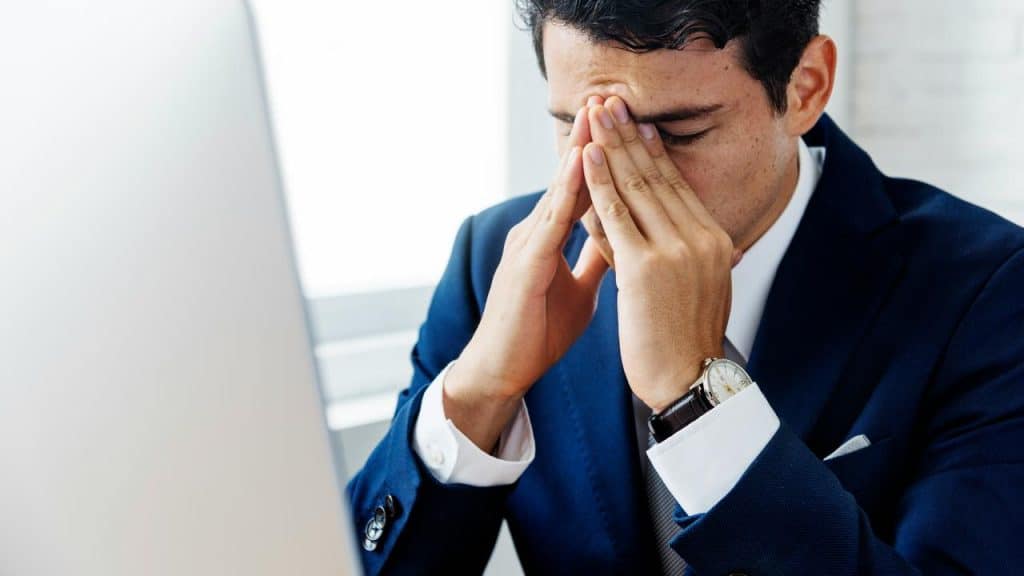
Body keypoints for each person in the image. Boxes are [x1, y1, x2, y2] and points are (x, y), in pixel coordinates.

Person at [347, 1, 1024, 574]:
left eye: (677, 132)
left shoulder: (989, 290)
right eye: (572, 127)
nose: (613, 176)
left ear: (806, 87)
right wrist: (479, 394)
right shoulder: (496, 259)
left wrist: (697, 399)